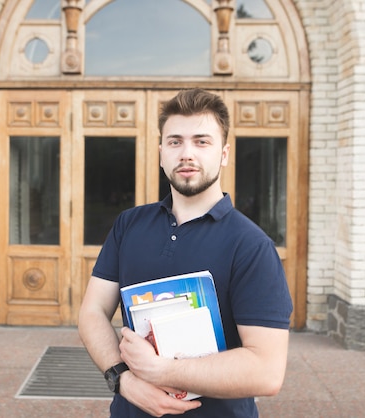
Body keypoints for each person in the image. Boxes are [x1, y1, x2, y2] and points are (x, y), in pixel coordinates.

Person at [78, 88, 293, 417]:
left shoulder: (251, 246)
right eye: (175, 141)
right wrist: (122, 379)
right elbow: (92, 311)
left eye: (202, 141)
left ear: (223, 153)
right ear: (161, 152)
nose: (186, 153)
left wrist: (161, 371)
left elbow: (266, 371)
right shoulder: (129, 225)